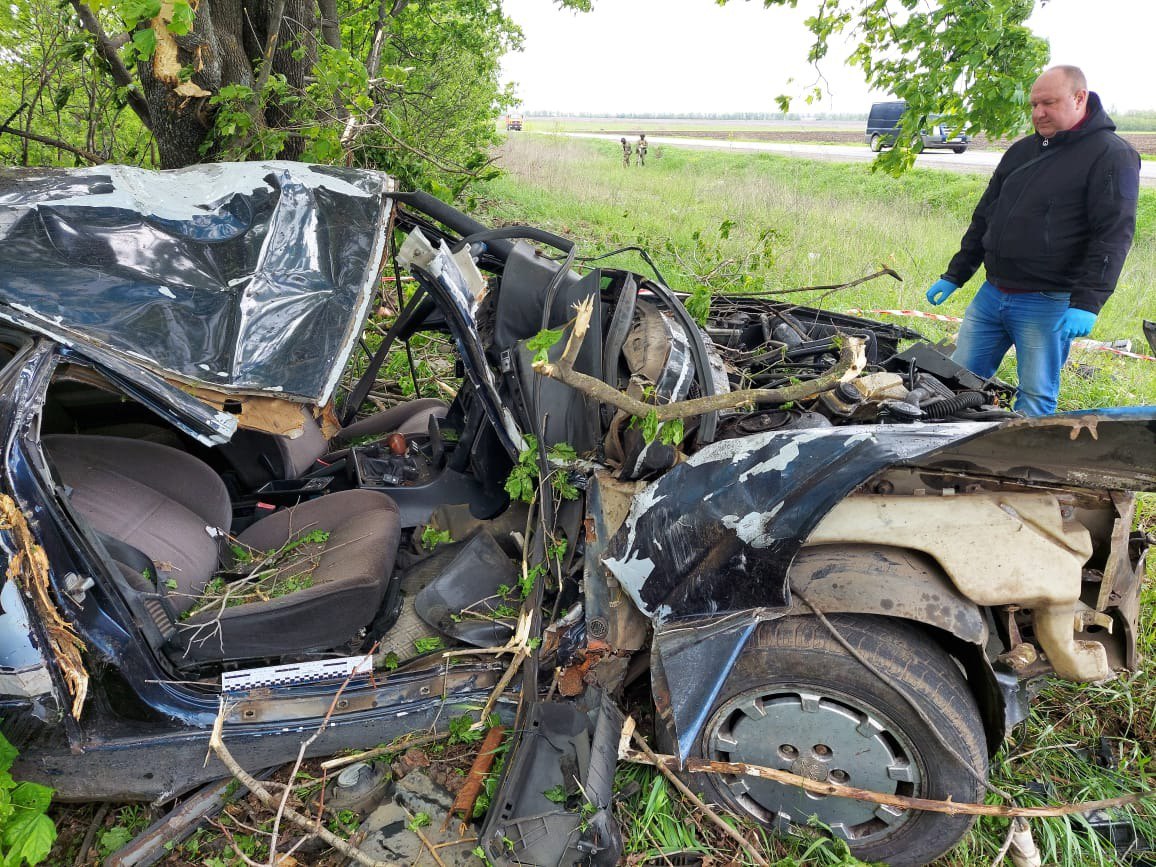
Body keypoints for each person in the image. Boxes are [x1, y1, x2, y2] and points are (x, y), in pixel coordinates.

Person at [925, 65, 1140, 416]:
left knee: (1036, 397)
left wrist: (1088, 302)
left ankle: (1020, 467)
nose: (1039, 113)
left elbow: (1113, 235)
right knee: (956, 382)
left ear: (1079, 98)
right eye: (1034, 105)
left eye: (1049, 103)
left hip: (1047, 302)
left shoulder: (1111, 155)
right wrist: (955, 274)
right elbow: (985, 216)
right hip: (992, 295)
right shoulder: (1023, 151)